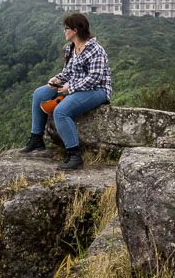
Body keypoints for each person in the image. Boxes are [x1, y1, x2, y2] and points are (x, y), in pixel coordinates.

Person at [19, 12, 111, 169]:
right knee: (39, 93)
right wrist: (57, 79)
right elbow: (68, 72)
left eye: (66, 28)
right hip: (75, 85)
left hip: (97, 90)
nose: (64, 31)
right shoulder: (72, 48)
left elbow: (95, 78)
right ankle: (36, 139)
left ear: (75, 30)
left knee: (61, 111)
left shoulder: (96, 50)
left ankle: (74, 155)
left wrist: (71, 88)